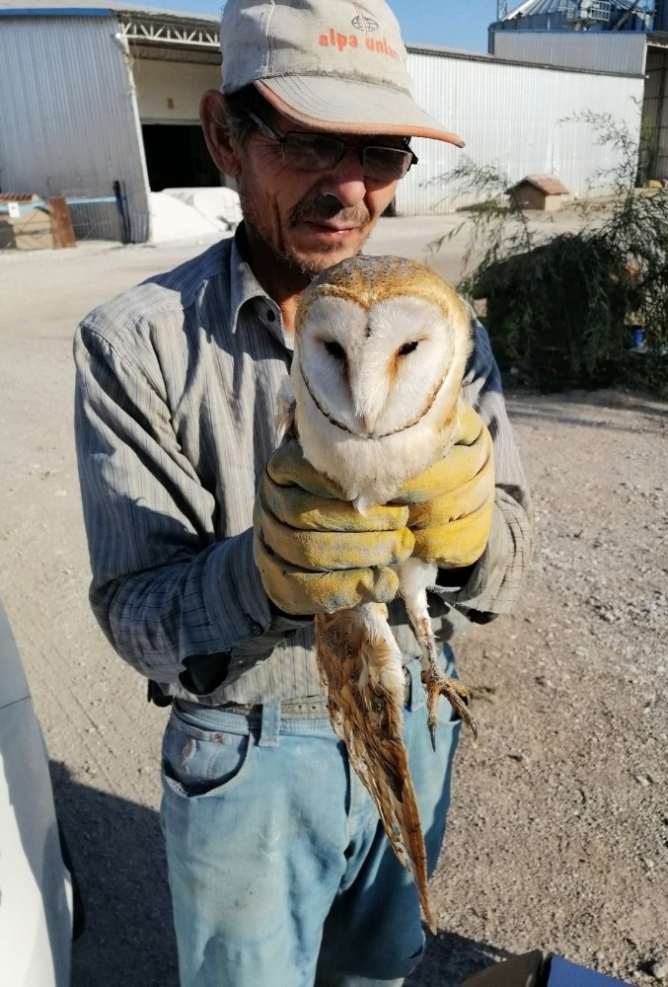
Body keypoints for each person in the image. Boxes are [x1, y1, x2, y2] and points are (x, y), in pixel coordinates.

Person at [73, 0, 533, 984]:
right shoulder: (138, 346)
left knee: (379, 973)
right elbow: (132, 614)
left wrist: (471, 540)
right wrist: (262, 576)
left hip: (418, 716)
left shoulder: (444, 331)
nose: (349, 186)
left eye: (380, 151)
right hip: (245, 745)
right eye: (308, 141)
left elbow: (509, 565)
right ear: (223, 137)